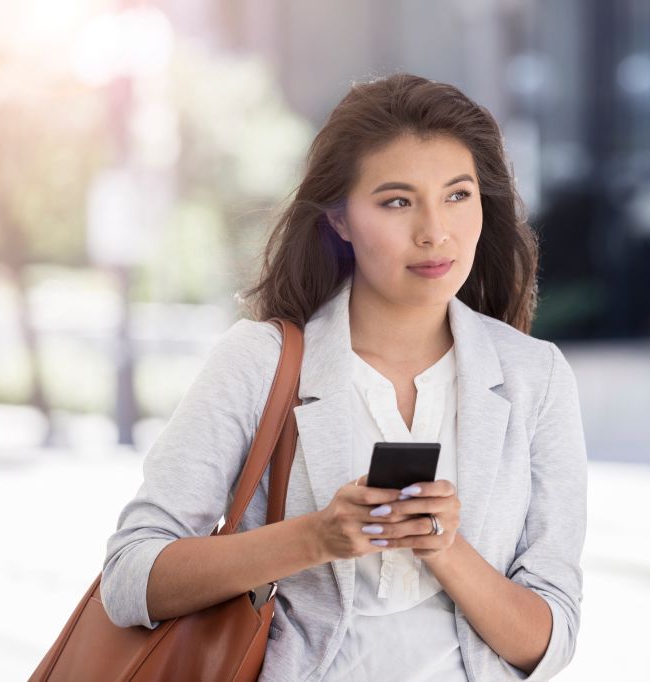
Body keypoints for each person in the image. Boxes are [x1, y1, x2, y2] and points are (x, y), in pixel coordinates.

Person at [99, 72, 587, 681]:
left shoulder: (534, 378)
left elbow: (550, 638)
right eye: (397, 201)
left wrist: (444, 548)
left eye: (458, 195)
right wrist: (316, 538)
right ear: (339, 219)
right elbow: (129, 578)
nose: (435, 231)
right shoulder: (261, 361)